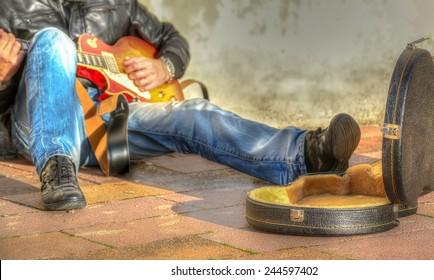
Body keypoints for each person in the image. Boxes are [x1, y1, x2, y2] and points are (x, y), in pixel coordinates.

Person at [0, 0, 361, 211]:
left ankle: (303, 155)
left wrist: (164, 66)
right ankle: (57, 171)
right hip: (38, 123)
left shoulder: (117, 3)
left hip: (105, 122)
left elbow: (171, 39)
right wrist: (3, 78)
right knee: (52, 41)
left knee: (192, 114)